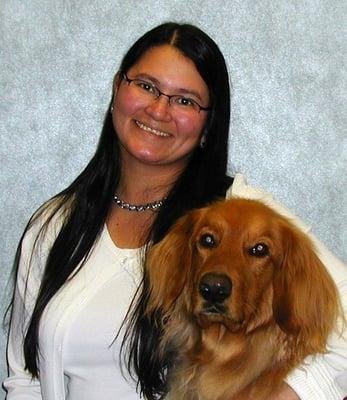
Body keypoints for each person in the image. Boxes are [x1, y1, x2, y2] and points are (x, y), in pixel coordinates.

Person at [3, 22, 346, 400]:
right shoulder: (55, 224)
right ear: (118, 88)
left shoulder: (240, 211)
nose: (159, 109)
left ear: (206, 126)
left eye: (185, 100)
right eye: (147, 87)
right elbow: (25, 379)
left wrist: (292, 393)